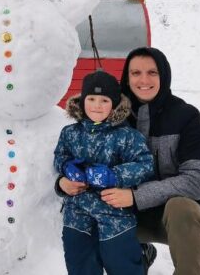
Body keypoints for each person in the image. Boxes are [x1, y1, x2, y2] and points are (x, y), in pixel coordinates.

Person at [107, 47, 200, 275]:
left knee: (181, 208)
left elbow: (198, 181)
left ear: (163, 75)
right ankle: (136, 257)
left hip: (173, 216)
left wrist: (137, 196)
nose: (143, 80)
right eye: (135, 73)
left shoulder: (186, 116)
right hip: (126, 213)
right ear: (127, 77)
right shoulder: (113, 116)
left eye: (152, 72)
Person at [55, 70, 154, 275]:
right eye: (91, 99)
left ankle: (140, 257)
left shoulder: (126, 136)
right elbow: (60, 156)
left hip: (114, 211)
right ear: (82, 101)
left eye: (104, 100)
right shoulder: (70, 133)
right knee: (80, 262)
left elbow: (145, 164)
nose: (97, 105)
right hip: (77, 212)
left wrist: (114, 175)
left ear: (115, 104)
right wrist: (66, 169)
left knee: (121, 263)